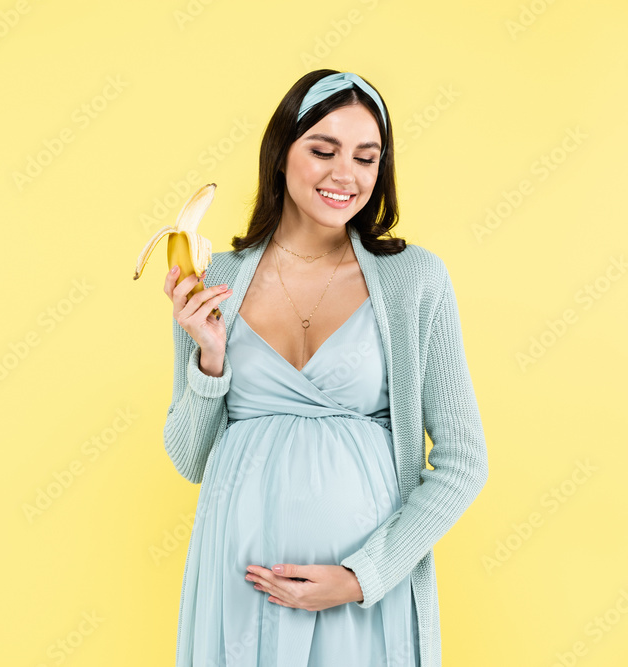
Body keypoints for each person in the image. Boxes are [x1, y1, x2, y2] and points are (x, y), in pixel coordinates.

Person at [161, 69, 489, 667]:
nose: (346, 175)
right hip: (237, 585)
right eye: (323, 150)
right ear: (281, 152)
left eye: (367, 158)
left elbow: (465, 462)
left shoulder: (414, 278)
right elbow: (188, 460)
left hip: (363, 598)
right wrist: (208, 360)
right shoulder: (214, 279)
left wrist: (363, 577)